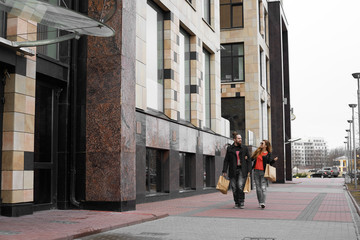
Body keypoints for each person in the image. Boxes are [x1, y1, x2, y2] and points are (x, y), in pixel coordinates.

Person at [222, 132, 252, 209]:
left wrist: (249, 170)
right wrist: (224, 170)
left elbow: (249, 159)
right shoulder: (230, 149)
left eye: (241, 138)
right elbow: (226, 160)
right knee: (234, 187)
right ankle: (236, 202)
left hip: (242, 169)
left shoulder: (244, 148)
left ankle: (241, 202)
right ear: (234, 139)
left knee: (240, 185)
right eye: (238, 138)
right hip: (232, 170)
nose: (240, 140)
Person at [251, 140, 278, 209]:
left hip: (263, 172)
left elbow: (269, 163)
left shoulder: (268, 154)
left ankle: (263, 202)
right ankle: (260, 202)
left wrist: (274, 161)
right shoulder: (258, 152)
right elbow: (251, 159)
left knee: (263, 188)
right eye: (261, 143)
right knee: (258, 188)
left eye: (262, 143)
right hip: (256, 171)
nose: (261, 144)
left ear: (266, 146)